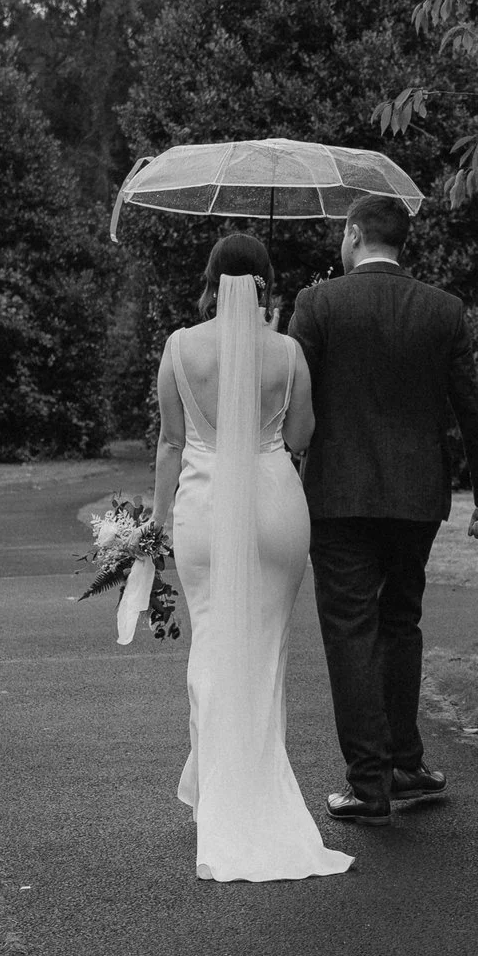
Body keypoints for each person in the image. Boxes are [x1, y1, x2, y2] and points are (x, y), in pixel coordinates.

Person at [289, 193, 478, 826]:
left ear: (354, 234)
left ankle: (367, 784)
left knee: (350, 629)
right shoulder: (443, 310)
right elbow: (473, 407)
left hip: (338, 497)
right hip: (416, 496)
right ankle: (405, 764)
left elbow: (287, 391)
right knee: (401, 622)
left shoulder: (319, 304)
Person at [150, 234, 355, 882]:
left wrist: (153, 530)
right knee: (266, 658)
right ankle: (255, 795)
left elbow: (169, 443)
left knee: (212, 651)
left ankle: (224, 800)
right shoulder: (288, 352)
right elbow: (300, 436)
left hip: (206, 511)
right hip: (274, 507)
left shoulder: (181, 348)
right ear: (267, 285)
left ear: (210, 282)